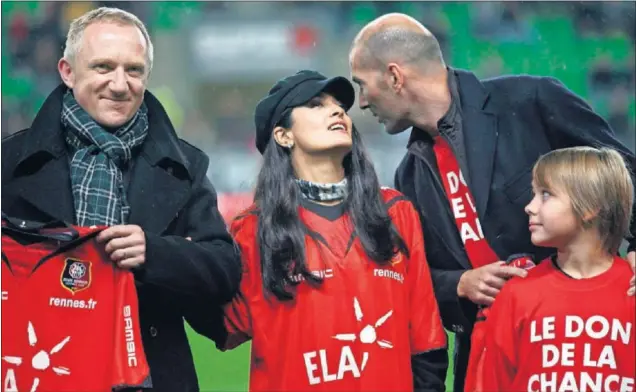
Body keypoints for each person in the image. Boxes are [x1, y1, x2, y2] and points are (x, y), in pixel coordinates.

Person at [348, 12, 636, 391]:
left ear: (395, 76)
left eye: (362, 85)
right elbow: (417, 278)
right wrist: (460, 283)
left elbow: (623, 171)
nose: (363, 101)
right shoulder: (410, 174)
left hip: (580, 339)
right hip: (486, 355)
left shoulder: (530, 101)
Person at [1, 7, 241, 391]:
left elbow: (224, 269)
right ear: (67, 71)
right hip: (39, 368)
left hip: (151, 372)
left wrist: (155, 253)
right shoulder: (9, 164)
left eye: (134, 70)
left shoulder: (185, 166)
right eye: (103, 67)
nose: (119, 84)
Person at [218, 70, 448, 391]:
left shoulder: (395, 212)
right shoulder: (253, 229)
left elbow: (426, 340)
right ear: (284, 136)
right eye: (316, 105)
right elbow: (225, 327)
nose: (338, 111)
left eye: (340, 106)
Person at [480, 146, 635, 392]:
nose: (529, 207)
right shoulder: (517, 293)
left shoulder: (631, 290)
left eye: (545, 194)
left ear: (589, 207)